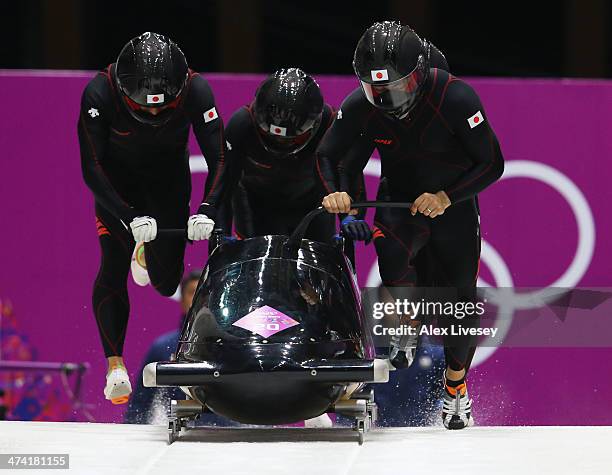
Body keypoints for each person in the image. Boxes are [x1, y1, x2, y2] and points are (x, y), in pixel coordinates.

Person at [317, 21, 504, 429]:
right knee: (393, 256)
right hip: (400, 201)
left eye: (398, 87)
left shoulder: (455, 97)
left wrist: (446, 197)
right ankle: (410, 320)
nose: (387, 99)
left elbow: (492, 162)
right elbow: (330, 155)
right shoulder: (363, 105)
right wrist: (338, 197)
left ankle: (455, 387)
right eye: (376, 89)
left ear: (419, 76)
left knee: (458, 303)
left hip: (451, 208)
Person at [78, 32, 227, 404]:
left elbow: (221, 158)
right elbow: (91, 168)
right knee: (112, 264)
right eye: (144, 108)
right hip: (118, 189)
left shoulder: (196, 90)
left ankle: (145, 253)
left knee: (165, 283)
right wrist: (127, 217)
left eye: (164, 107)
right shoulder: (100, 92)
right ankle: (115, 366)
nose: (155, 113)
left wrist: (208, 207)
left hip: (167, 185)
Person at [223, 68, 370, 244]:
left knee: (319, 266)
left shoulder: (329, 123)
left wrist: (352, 215)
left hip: (313, 207)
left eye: (289, 139)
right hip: (258, 207)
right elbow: (225, 182)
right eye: (272, 136)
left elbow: (348, 171)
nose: (279, 141)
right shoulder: (242, 125)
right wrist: (221, 230)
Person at [124, 270, 235, 425]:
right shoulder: (161, 348)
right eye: (192, 293)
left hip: (233, 441)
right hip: (182, 441)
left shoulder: (234, 347)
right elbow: (139, 406)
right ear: (182, 301)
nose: (198, 300)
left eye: (204, 294)